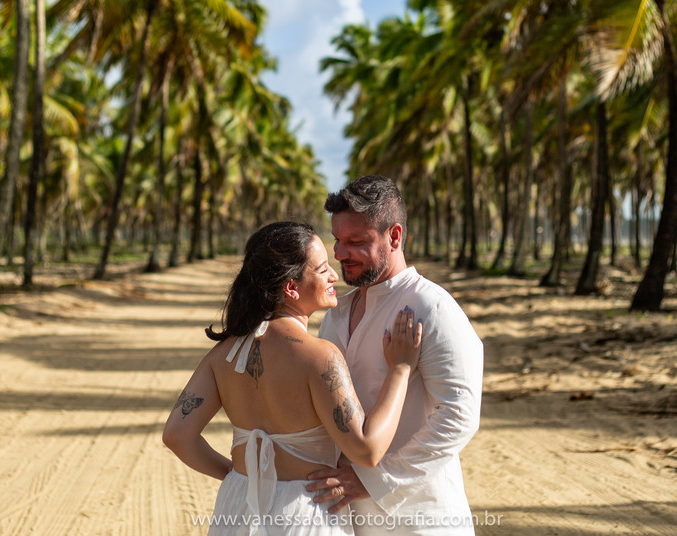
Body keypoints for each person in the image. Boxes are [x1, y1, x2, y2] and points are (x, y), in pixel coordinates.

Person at [163, 221, 423, 536]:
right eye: (322, 268)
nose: (333, 276)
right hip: (303, 512)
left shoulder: (223, 354)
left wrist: (237, 474)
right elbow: (367, 450)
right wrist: (400, 369)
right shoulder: (319, 356)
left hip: (238, 507)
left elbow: (177, 435)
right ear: (291, 287)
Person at [306, 175, 484, 535]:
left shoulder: (430, 307)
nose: (340, 253)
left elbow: (459, 416)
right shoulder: (336, 312)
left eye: (356, 241)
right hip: (347, 519)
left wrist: (377, 480)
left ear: (395, 236)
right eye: (338, 240)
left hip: (420, 519)